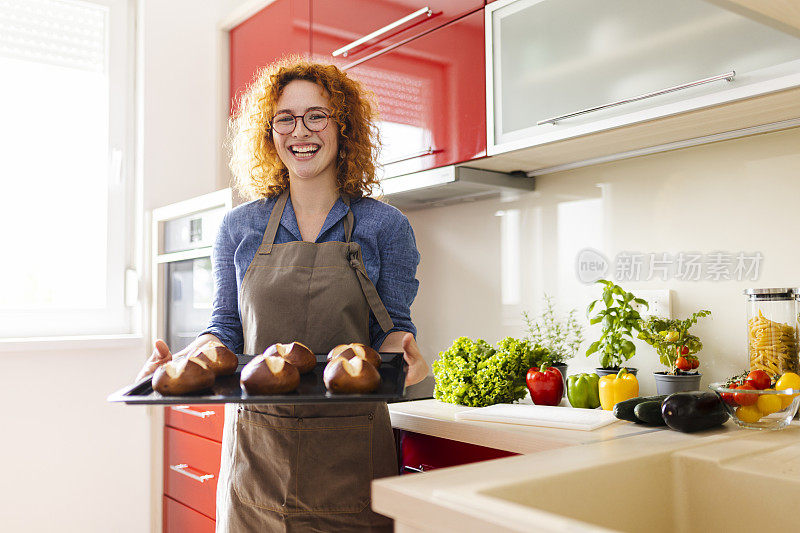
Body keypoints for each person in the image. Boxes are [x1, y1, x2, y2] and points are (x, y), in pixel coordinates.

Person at [137, 57, 428, 531]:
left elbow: (391, 333)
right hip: (256, 461)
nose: (301, 131)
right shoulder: (240, 227)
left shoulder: (385, 227)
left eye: (316, 115)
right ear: (269, 133)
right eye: (285, 119)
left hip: (349, 462)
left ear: (343, 126)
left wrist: (406, 355)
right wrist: (187, 363)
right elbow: (226, 329)